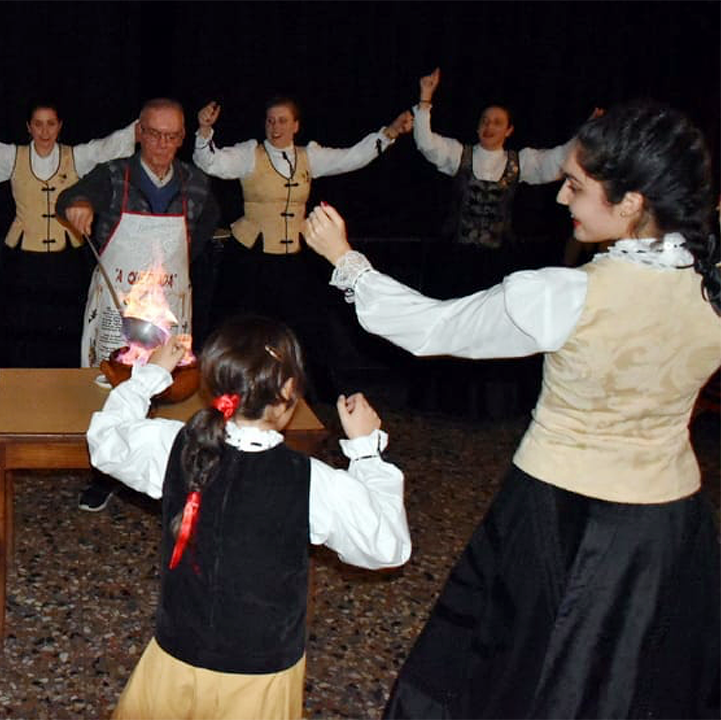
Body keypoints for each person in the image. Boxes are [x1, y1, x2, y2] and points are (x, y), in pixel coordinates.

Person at [303, 100, 721, 718]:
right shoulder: (710, 282)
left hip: (561, 517)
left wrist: (344, 258)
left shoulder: (568, 294)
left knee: (522, 673)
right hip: (668, 527)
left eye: (576, 186)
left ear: (631, 202)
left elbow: (431, 327)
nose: (561, 197)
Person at [87, 317, 410, 719]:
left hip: (177, 656)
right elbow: (386, 548)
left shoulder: (173, 447)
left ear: (213, 384)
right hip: (259, 676)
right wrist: (366, 451)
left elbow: (106, 441)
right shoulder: (313, 482)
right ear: (289, 391)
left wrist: (150, 376)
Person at [55, 97, 220, 511]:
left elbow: (205, 229)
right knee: (112, 387)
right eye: (155, 134)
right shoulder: (113, 175)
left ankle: (173, 472)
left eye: (172, 136)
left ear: (182, 138)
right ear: (140, 133)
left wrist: (178, 267)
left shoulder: (196, 183)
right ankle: (104, 474)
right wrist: (78, 206)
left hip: (170, 304)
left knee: (172, 390)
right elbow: (68, 198)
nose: (163, 144)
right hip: (118, 306)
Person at [193, 97, 413, 395]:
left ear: (296, 126)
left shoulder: (309, 156)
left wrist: (389, 133)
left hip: (292, 257)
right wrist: (205, 131)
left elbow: (352, 157)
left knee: (307, 326)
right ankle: (222, 386)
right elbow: (211, 162)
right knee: (236, 325)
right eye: (270, 120)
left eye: (283, 120)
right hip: (250, 255)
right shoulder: (250, 155)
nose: (276, 127)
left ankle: (309, 395)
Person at [409, 68, 589, 418]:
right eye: (484, 121)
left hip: (496, 262)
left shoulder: (522, 163)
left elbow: (558, 159)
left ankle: (490, 405)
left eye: (497, 122)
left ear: (509, 130)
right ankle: (445, 400)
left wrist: (585, 133)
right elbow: (426, 143)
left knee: (493, 327)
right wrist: (425, 99)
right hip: (457, 261)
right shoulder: (458, 155)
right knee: (453, 323)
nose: (489, 127)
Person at [0, 94, 134, 376]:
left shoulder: (76, 157)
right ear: (28, 127)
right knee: (20, 327)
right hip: (23, 260)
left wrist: (141, 126)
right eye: (38, 124)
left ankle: (64, 383)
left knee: (65, 325)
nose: (45, 131)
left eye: (51, 124)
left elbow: (109, 147)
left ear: (60, 126)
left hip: (65, 260)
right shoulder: (13, 156)